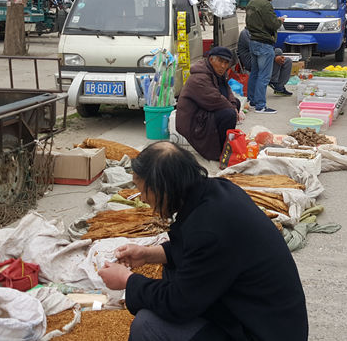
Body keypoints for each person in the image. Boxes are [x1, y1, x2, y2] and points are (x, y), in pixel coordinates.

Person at [98, 141, 308, 341]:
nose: (142, 198)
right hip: (267, 318)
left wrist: (127, 281)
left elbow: (178, 303)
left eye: (143, 190)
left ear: (164, 187)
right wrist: (148, 254)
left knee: (148, 325)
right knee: (170, 274)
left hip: (261, 333)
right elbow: (196, 252)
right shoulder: (217, 192)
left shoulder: (209, 230)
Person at [174, 47, 243, 161]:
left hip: (206, 109)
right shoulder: (199, 77)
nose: (223, 66)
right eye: (220, 61)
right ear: (211, 60)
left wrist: (234, 105)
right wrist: (233, 109)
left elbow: (227, 90)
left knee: (236, 103)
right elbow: (214, 99)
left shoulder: (218, 73)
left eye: (226, 63)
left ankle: (225, 143)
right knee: (229, 114)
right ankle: (220, 151)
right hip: (195, 119)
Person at [244, 0, 286, 114]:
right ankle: (261, 106)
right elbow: (272, 24)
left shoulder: (252, 2)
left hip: (253, 41)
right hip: (264, 43)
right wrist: (279, 21)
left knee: (255, 74)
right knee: (264, 76)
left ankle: (252, 101)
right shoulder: (265, 4)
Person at [236, 28, 293, 97]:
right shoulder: (246, 33)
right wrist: (275, 56)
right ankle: (271, 80)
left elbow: (270, 47)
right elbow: (258, 49)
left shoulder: (260, 31)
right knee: (276, 54)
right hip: (252, 61)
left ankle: (279, 87)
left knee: (287, 61)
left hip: (262, 57)